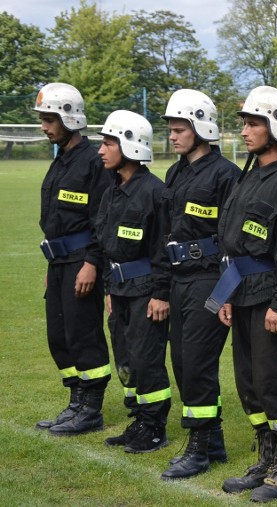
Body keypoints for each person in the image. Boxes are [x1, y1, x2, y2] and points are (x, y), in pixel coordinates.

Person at [212, 85, 277, 503]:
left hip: (273, 298)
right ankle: (267, 458)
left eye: (254, 123)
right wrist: (226, 297)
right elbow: (233, 245)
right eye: (245, 123)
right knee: (250, 383)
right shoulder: (247, 177)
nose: (246, 131)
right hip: (243, 294)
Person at [156, 89, 240, 480]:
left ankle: (199, 447)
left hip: (210, 280)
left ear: (200, 128)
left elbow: (234, 239)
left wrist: (227, 291)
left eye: (179, 129)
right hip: (178, 280)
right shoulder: (175, 173)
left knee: (197, 362)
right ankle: (215, 440)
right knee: (181, 360)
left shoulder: (226, 175)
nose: (172, 136)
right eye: (170, 130)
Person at [34, 82, 112, 436]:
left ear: (69, 118)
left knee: (83, 335)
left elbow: (103, 218)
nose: (44, 126)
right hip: (60, 262)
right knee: (59, 336)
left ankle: (91, 409)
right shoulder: (60, 161)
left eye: (50, 119)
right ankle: (75, 402)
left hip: (83, 261)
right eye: (43, 119)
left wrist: (92, 263)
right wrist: (54, 265)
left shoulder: (94, 162)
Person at [95, 110, 171, 453]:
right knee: (125, 357)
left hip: (145, 292)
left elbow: (163, 247)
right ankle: (139, 420)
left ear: (129, 146)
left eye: (108, 142)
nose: (101, 150)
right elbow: (106, 242)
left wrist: (160, 293)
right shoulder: (112, 190)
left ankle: (155, 427)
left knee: (146, 358)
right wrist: (110, 287)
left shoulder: (155, 192)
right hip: (120, 290)